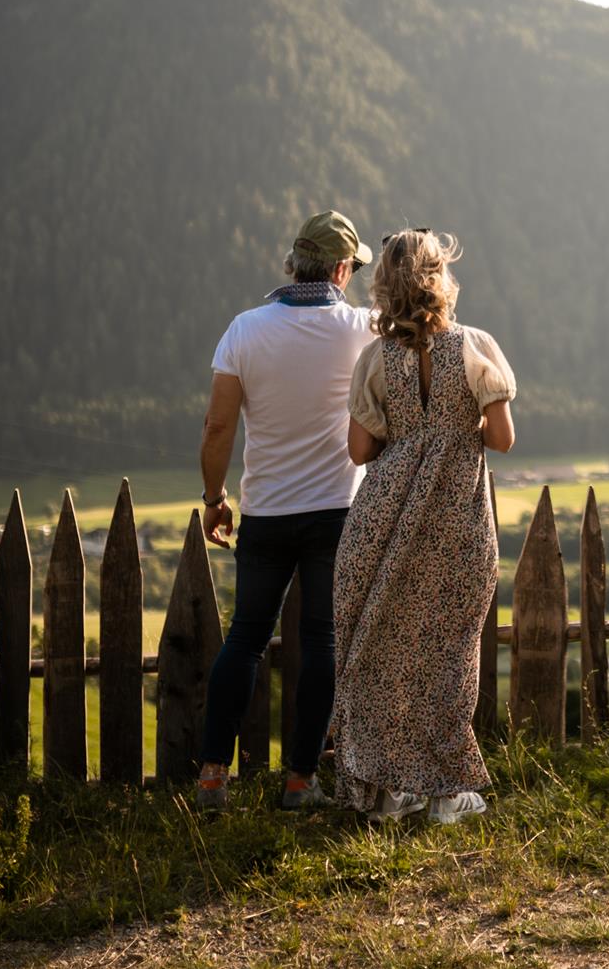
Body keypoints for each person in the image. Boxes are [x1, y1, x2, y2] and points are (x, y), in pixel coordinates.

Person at [331, 228, 516, 826]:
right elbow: (503, 438)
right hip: (456, 518)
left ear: (385, 287)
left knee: (382, 653)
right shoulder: (475, 346)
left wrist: (410, 433)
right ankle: (446, 793)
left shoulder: (375, 359)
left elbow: (360, 451)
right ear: (441, 279)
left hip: (384, 519)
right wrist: (459, 426)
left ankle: (389, 791)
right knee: (449, 654)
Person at [196, 210, 377, 811]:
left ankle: (212, 776)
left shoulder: (244, 330)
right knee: (321, 640)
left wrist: (215, 499)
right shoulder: (361, 328)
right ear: (342, 270)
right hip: (337, 511)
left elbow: (218, 426)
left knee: (246, 637)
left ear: (294, 263)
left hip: (266, 512)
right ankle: (301, 781)